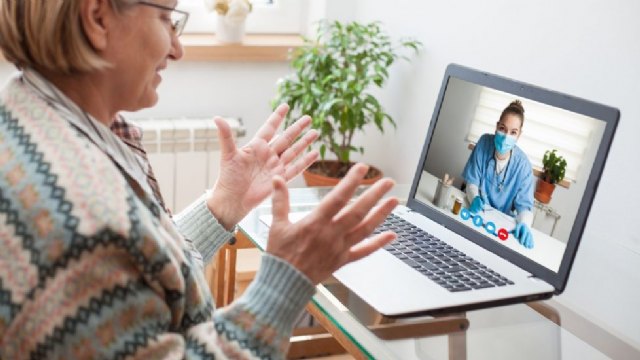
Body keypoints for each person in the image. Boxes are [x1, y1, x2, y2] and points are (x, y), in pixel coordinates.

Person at [0, 1, 399, 359]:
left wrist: (224, 205)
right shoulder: (78, 220)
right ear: (97, 18)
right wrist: (286, 279)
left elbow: (138, 273)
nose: (177, 48)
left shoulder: (33, 112)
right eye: (165, 19)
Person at [461, 100, 535, 249]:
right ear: (496, 127)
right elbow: (472, 181)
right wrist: (474, 197)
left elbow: (524, 208)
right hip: (477, 214)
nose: (506, 136)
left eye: (513, 132)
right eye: (503, 129)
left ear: (519, 135)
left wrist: (525, 224)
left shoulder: (524, 166)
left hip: (499, 227)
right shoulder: (483, 143)